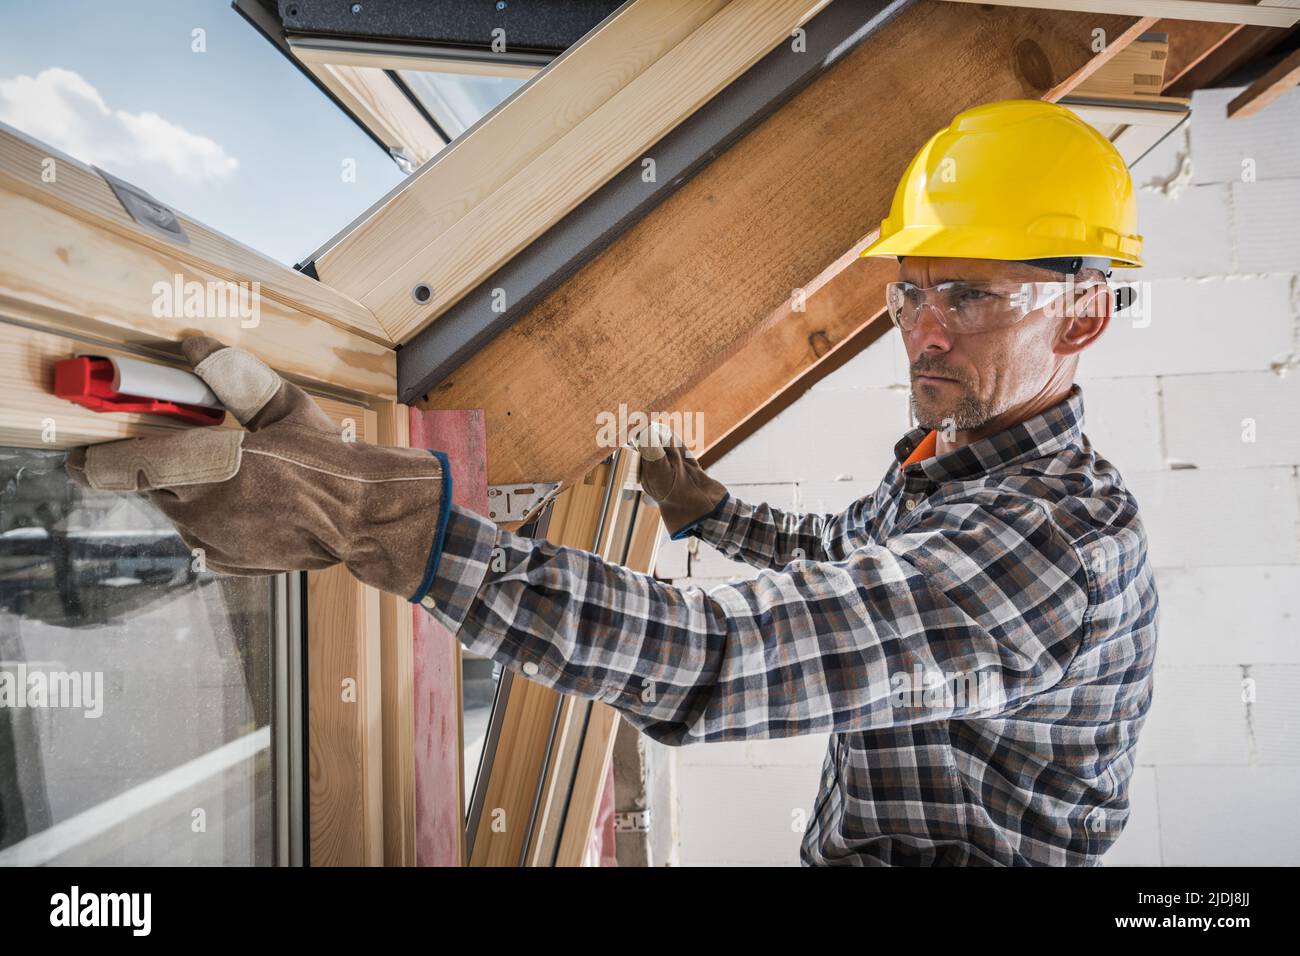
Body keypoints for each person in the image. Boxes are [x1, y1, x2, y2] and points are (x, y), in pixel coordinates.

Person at [67, 99, 1157, 866]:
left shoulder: (1056, 543)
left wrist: (383, 517)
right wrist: (714, 513)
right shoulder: (949, 463)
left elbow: (726, 656)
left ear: (1083, 316)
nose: (922, 332)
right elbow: (848, 560)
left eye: (969, 297)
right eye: (909, 293)